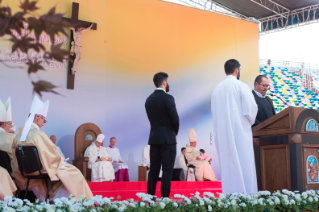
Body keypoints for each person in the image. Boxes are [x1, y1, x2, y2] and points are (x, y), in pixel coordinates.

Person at [12, 95, 93, 200]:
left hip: (25, 172)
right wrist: (60, 160)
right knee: (75, 172)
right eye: (44, 120)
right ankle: (81, 202)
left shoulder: (18, 136)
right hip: (41, 170)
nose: (43, 124)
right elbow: (50, 155)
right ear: (37, 118)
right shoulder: (37, 134)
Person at [211, 59, 258, 195]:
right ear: (237, 69)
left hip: (223, 134)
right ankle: (246, 200)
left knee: (228, 167)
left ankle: (230, 199)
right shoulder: (241, 86)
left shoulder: (217, 89)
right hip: (240, 132)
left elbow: (214, 112)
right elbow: (251, 110)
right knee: (245, 165)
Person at [145, 72, 180, 197]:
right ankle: (164, 200)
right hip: (168, 138)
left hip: (154, 138)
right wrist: (173, 133)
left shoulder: (149, 99)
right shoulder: (168, 98)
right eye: (168, 81)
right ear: (164, 82)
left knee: (153, 170)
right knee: (167, 171)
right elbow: (175, 119)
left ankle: (150, 199)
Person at [0, 97, 15, 172]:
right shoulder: (10, 137)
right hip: (11, 172)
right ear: (4, 125)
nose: (11, 127)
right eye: (10, 124)